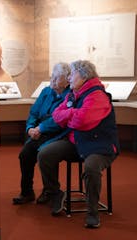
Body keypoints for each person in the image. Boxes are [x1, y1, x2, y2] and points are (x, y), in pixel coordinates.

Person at [37, 60, 120, 228]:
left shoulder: (97, 95)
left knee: (91, 167)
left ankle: (92, 213)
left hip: (99, 146)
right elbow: (56, 115)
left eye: (72, 73)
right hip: (77, 142)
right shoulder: (73, 94)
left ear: (84, 75)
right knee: (45, 154)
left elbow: (81, 121)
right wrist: (73, 113)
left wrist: (71, 116)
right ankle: (55, 194)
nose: (69, 77)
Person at [13, 62, 71, 205]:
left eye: (57, 78)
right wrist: (30, 128)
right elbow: (34, 112)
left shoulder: (70, 95)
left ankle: (49, 191)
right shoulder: (46, 91)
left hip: (58, 133)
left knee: (45, 153)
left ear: (67, 80)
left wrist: (41, 128)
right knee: (25, 155)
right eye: (52, 76)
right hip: (38, 132)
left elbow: (60, 120)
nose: (52, 80)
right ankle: (27, 192)